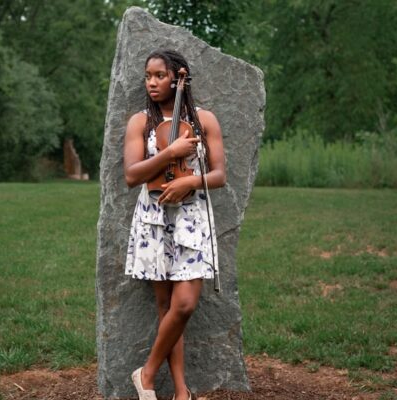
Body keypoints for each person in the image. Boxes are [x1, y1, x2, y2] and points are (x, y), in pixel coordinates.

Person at [123, 49, 226, 400]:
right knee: (166, 308)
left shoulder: (204, 120)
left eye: (159, 75)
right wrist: (170, 152)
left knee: (183, 305)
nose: (152, 82)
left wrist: (189, 182)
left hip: (191, 219)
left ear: (177, 77)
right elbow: (131, 175)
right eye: (147, 76)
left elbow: (219, 175)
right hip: (153, 219)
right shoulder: (141, 122)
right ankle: (181, 391)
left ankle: (146, 374)